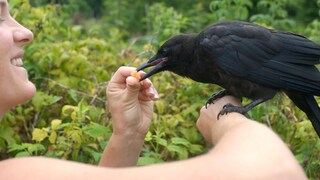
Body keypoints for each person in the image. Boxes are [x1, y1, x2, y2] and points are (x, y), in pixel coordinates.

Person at [0, 0, 307, 179]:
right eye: (1, 14)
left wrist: (127, 133)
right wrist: (228, 122)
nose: (26, 32)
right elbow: (276, 170)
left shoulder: (213, 43)